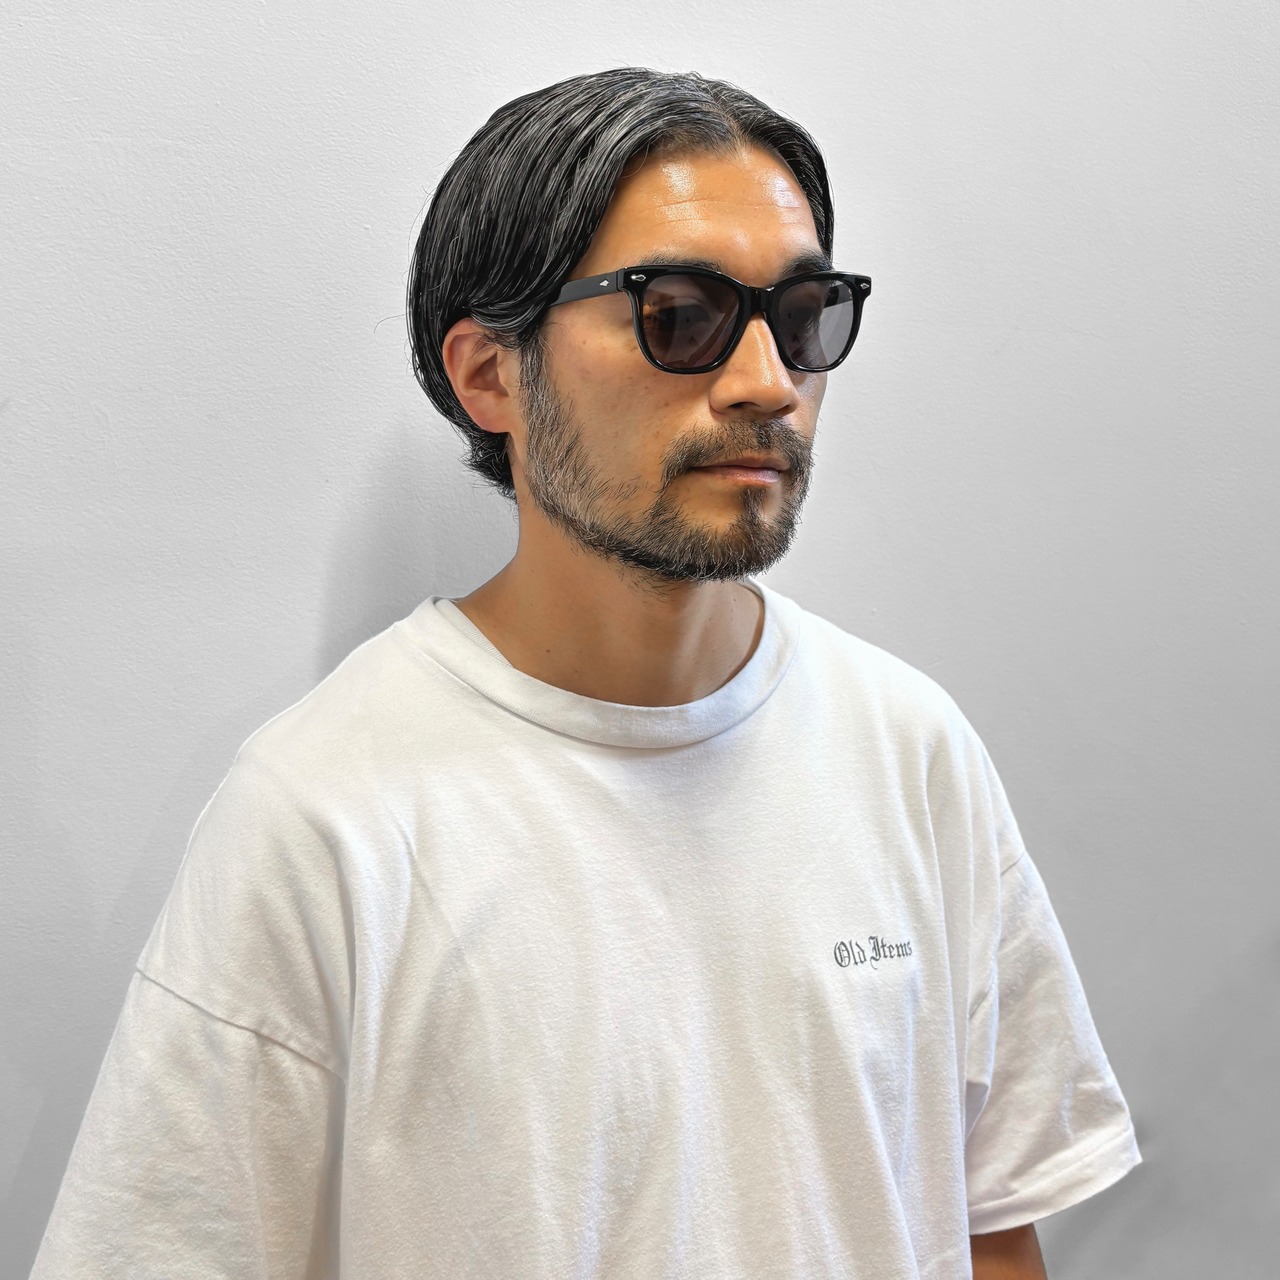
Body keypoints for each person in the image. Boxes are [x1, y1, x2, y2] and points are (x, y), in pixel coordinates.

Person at [30, 67, 1140, 1279]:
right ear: (489, 375)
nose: (768, 380)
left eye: (801, 313)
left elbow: (987, 1228)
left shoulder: (908, 748)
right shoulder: (324, 817)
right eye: (680, 314)